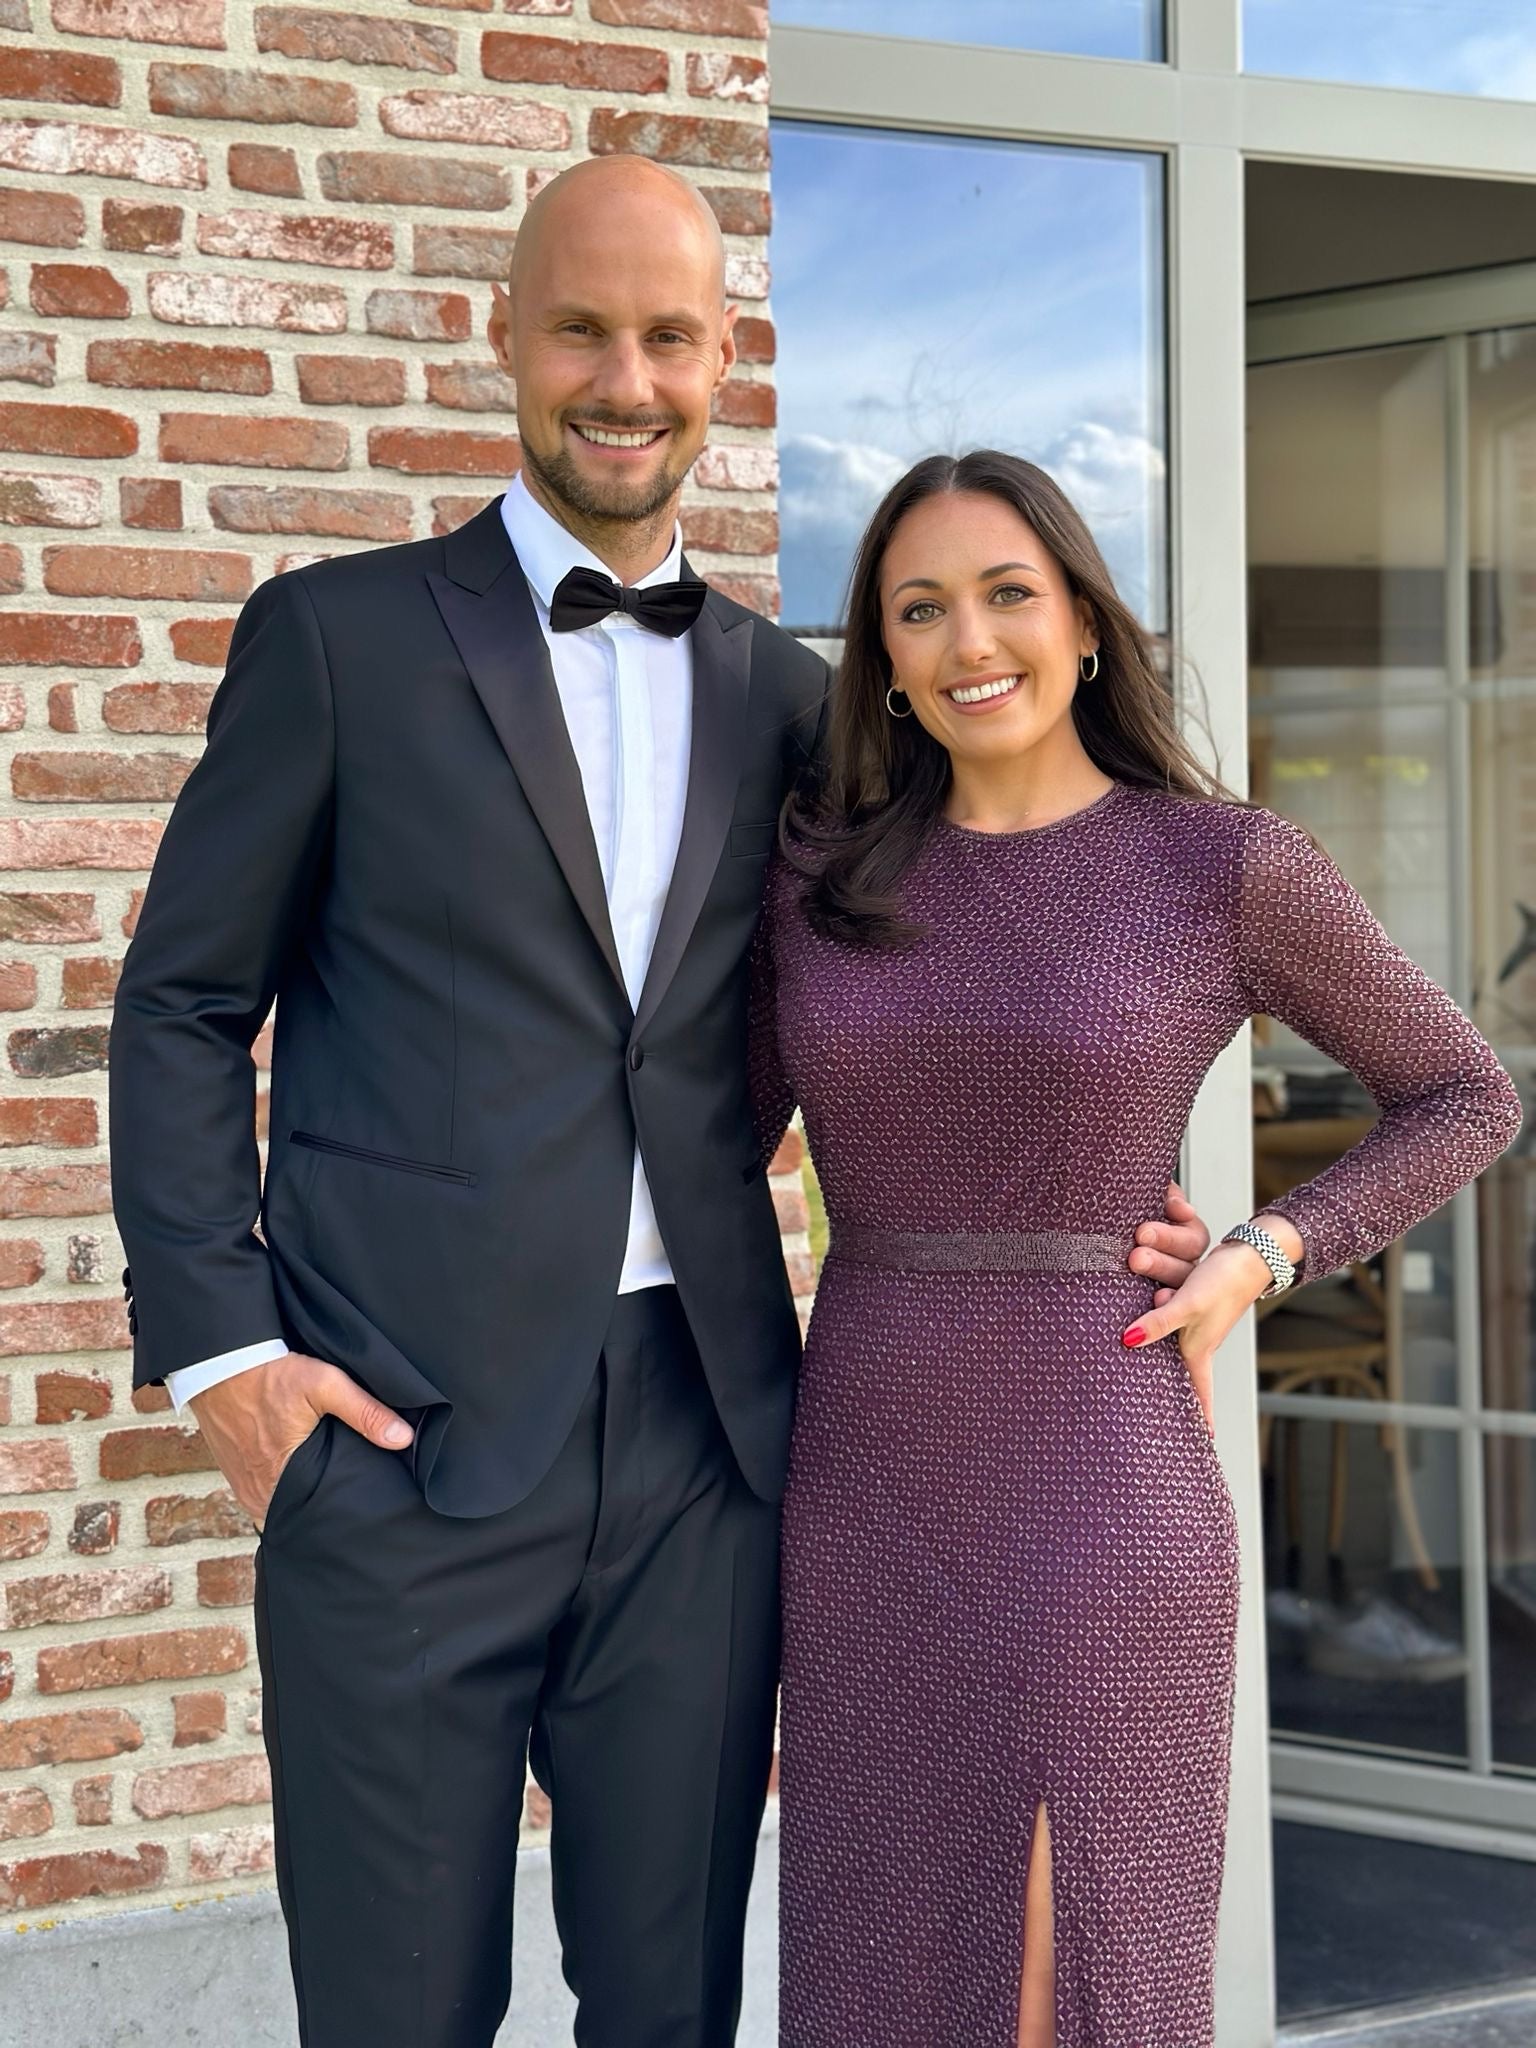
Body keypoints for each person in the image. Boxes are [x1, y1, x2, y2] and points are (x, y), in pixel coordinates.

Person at [108, 165, 1209, 2047]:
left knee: (676, 2012)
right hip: (397, 1445)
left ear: (725, 361)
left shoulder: (794, 700)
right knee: (397, 2014)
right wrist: (228, 1360)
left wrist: (1121, 1191)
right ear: (508, 344)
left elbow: (958, 975)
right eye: (583, 331)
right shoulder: (339, 641)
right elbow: (187, 1001)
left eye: (671, 337)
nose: (628, 379)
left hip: (713, 1456)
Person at [752, 449, 1523, 2048]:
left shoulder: (1218, 865)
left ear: (1088, 623)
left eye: (1008, 594)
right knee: (879, 1971)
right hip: (866, 1477)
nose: (972, 641)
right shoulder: (818, 874)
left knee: (1059, 1980)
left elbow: (1464, 1095)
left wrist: (1262, 1252)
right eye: (921, 609)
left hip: (1100, 1477)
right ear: (883, 661)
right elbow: (696, 1130)